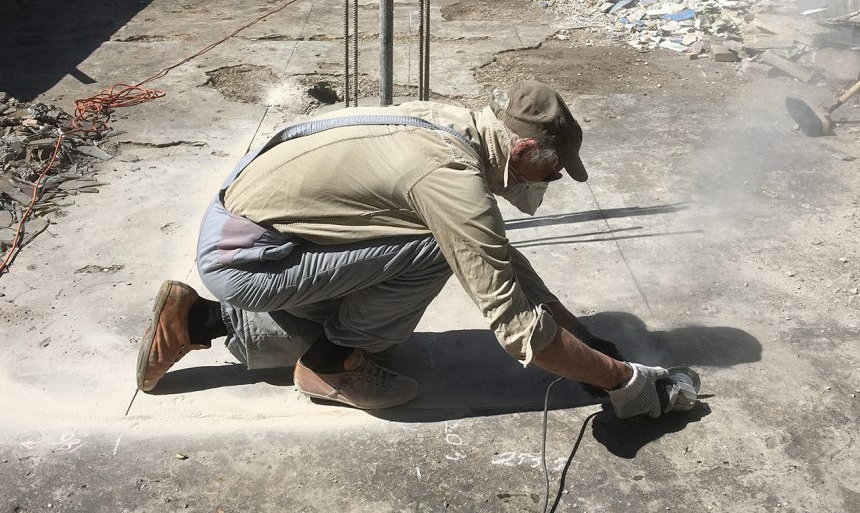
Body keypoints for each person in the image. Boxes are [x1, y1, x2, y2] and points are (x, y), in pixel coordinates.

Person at [136, 80, 672, 415]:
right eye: (553, 168)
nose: (554, 178)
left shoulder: (455, 125)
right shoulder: (451, 178)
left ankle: (199, 321)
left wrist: (580, 334)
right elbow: (515, 328)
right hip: (251, 259)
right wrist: (623, 381)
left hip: (255, 228)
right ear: (525, 147)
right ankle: (332, 364)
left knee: (413, 282)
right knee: (438, 248)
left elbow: (496, 252)